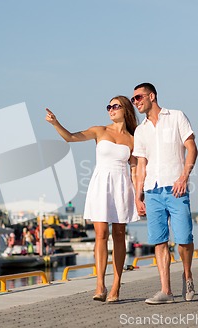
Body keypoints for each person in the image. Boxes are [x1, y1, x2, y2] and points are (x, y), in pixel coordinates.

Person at [45, 95, 139, 303]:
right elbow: (70, 137)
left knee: (120, 235)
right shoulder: (99, 130)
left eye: (115, 106)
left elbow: (135, 169)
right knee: (101, 234)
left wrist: (139, 195)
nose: (111, 109)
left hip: (122, 186)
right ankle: (100, 284)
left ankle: (116, 285)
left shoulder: (133, 139)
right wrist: (55, 123)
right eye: (108, 106)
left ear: (125, 109)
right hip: (101, 185)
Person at [132, 82, 198, 304]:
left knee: (184, 239)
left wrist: (183, 177)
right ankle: (165, 291)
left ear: (152, 96)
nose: (136, 102)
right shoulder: (140, 131)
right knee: (159, 241)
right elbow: (141, 164)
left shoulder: (177, 116)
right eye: (134, 99)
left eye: (139, 97)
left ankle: (187, 275)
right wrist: (137, 195)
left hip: (176, 188)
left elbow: (192, 148)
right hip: (152, 191)